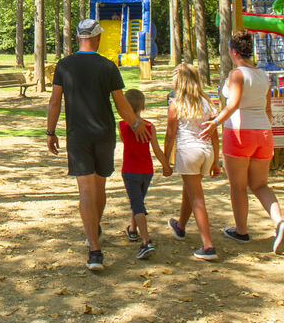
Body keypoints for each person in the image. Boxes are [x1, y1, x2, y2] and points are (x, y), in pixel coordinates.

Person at [46, 18, 150, 272]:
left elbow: (55, 102)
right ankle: (96, 227)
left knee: (85, 190)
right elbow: (121, 104)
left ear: (79, 38)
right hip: (104, 133)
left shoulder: (65, 65)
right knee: (100, 185)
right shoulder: (108, 66)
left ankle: (94, 250)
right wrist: (136, 123)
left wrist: (50, 132)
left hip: (78, 135)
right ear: (98, 38)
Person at [200, 29, 284, 254]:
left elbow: (234, 104)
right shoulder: (262, 75)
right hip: (263, 133)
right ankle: (279, 221)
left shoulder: (236, 74)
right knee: (260, 184)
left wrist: (216, 122)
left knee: (238, 186)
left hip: (240, 133)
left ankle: (241, 230)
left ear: (233, 51)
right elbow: (268, 108)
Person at [164, 63, 221, 260]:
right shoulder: (207, 102)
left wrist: (165, 159)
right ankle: (180, 226)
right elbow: (214, 135)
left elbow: (171, 135)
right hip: (206, 152)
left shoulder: (176, 103)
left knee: (197, 198)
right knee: (189, 191)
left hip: (188, 151)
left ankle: (208, 245)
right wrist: (216, 161)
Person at [119, 88, 172, 260]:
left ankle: (146, 241)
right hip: (146, 170)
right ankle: (132, 230)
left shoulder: (123, 125)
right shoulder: (150, 126)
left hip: (130, 170)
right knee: (138, 201)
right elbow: (156, 149)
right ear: (143, 106)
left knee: (137, 204)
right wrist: (166, 165)